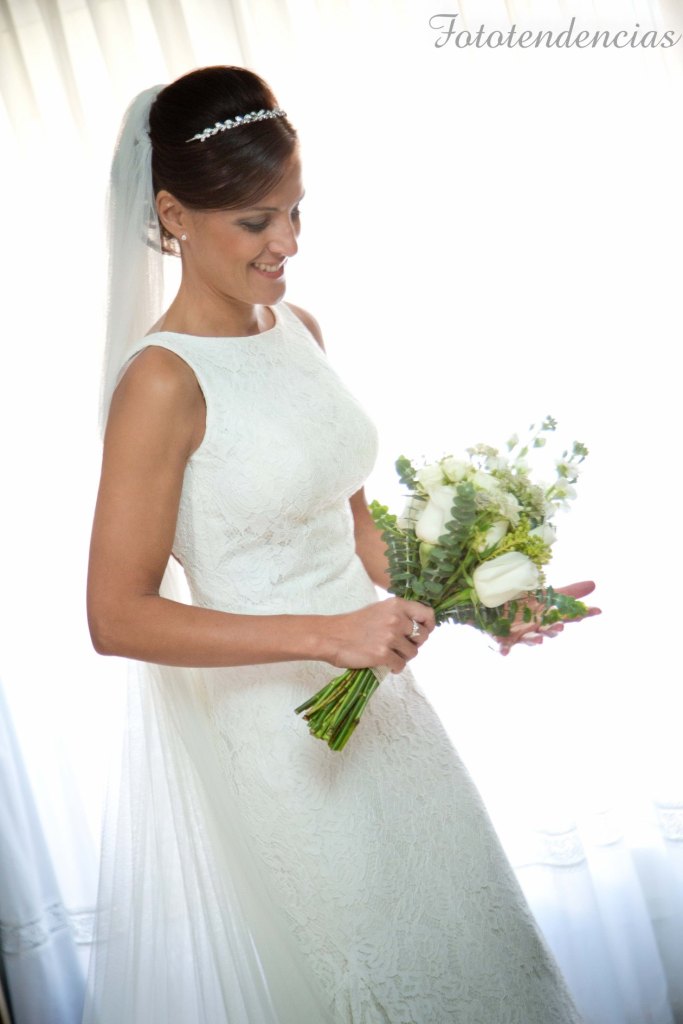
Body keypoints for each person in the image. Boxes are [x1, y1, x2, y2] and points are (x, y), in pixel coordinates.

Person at [84, 65, 597, 1023]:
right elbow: (117, 618)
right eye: (256, 222)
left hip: (389, 717)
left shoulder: (298, 329)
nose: (287, 242)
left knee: (482, 957)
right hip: (287, 744)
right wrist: (328, 636)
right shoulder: (160, 382)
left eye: (295, 211)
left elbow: (355, 529)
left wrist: (483, 599)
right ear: (174, 215)